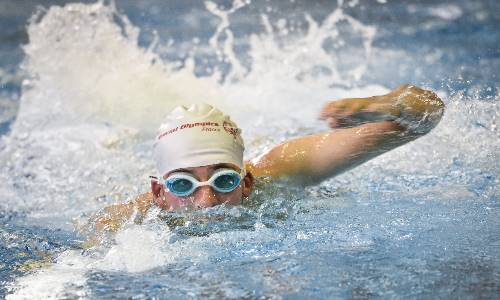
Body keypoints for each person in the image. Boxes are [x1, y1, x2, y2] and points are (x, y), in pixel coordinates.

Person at [86, 84, 444, 241]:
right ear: (159, 193)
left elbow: (427, 115)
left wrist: (389, 105)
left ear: (246, 182)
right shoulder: (131, 222)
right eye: (183, 184)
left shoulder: (285, 171)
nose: (207, 202)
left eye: (224, 180)